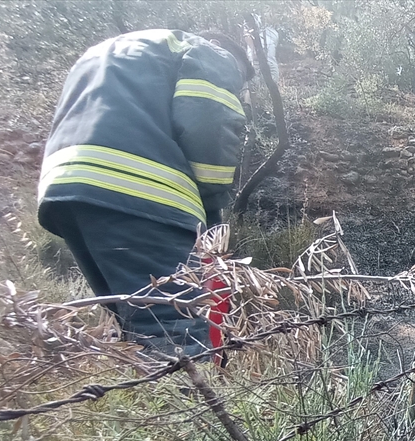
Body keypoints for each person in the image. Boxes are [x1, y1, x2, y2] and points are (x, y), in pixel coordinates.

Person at [37, 29, 253, 357]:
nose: (237, 86)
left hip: (66, 190)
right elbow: (208, 128)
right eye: (240, 79)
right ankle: (194, 404)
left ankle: (148, 403)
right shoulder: (211, 54)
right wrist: (212, 205)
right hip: (137, 190)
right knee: (173, 326)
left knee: (134, 325)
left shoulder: (126, 49)